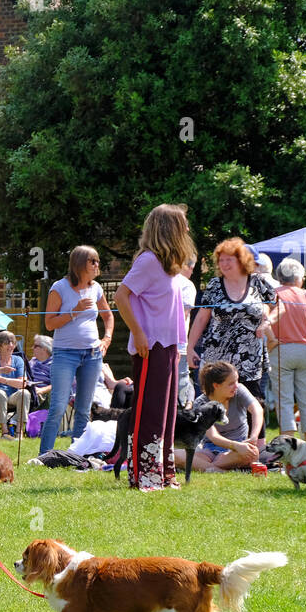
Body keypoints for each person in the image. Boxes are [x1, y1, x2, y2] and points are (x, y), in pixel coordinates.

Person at [114, 205, 192, 489]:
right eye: (183, 225)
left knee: (167, 411)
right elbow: (121, 296)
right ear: (169, 228)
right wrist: (138, 333)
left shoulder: (168, 265)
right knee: (149, 411)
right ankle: (143, 475)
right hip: (151, 347)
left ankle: (163, 472)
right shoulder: (147, 261)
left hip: (170, 346)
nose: (187, 230)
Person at [38, 245, 114, 454]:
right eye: (93, 261)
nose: (97, 265)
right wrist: (74, 311)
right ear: (79, 263)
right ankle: (45, 454)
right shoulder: (59, 287)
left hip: (92, 354)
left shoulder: (96, 288)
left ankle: (77, 452)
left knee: (83, 408)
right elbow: (49, 324)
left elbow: (108, 315)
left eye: (97, 261)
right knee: (59, 406)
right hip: (65, 354)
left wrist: (106, 339)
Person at [188, 237, 275, 400]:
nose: (224, 264)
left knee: (252, 404)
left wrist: (267, 319)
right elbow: (201, 318)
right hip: (218, 360)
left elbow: (277, 304)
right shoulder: (214, 285)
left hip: (249, 358)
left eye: (229, 260)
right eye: (221, 260)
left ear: (242, 260)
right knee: (214, 407)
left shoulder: (257, 282)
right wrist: (190, 346)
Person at [266, 258, 306, 437]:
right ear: (298, 278)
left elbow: (264, 321)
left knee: (284, 400)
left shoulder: (273, 294)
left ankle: (288, 443)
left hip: (281, 350)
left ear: (280, 276)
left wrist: (272, 340)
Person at [183, 360, 263, 473]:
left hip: (239, 448)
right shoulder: (200, 404)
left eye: (237, 381)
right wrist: (236, 446)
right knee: (176, 454)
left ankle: (208, 467)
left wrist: (254, 437)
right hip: (209, 451)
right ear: (216, 385)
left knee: (252, 453)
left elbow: (257, 410)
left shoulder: (239, 390)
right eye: (231, 383)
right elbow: (214, 437)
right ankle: (217, 468)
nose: (236, 386)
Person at [0, 330, 31, 439]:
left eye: (13, 343)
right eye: (7, 343)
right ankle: (5, 433)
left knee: (25, 393)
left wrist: (1, 379)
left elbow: (22, 383)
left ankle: (19, 432)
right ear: (0, 345)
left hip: (13, 396)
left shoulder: (18, 360)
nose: (11, 345)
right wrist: (2, 369)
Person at [175, 257, 197, 407]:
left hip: (157, 343)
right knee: (180, 388)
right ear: (186, 266)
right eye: (192, 268)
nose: (192, 272)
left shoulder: (161, 280)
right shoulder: (186, 285)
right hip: (177, 345)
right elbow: (182, 315)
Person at [28, 334, 53, 405]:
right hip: (26, 391)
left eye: (35, 346)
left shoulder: (54, 364)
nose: (32, 348)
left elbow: (57, 384)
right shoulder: (32, 361)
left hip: (42, 395)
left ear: (44, 348)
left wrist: (42, 390)